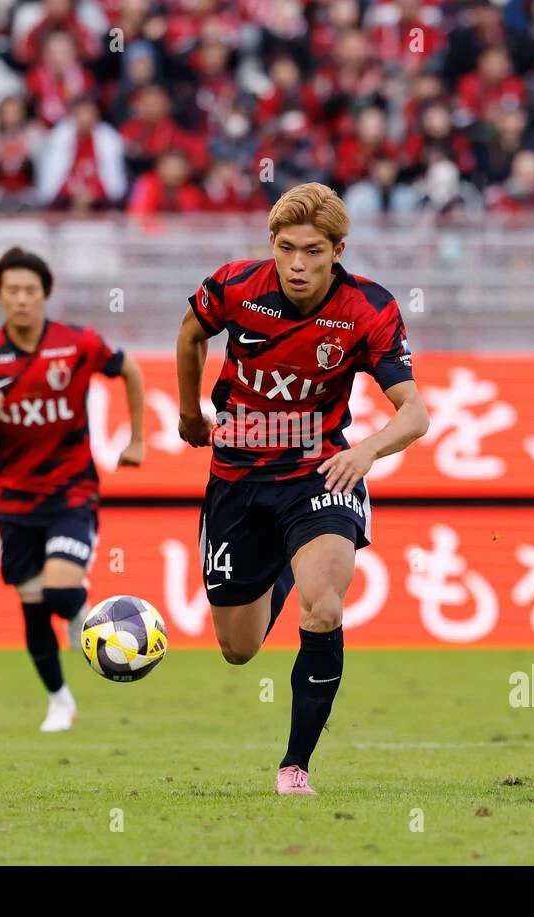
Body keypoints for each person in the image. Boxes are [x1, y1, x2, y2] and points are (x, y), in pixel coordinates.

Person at [175, 182, 430, 795]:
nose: (297, 264)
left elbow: (414, 413)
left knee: (325, 606)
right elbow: (189, 335)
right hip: (235, 475)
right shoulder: (235, 287)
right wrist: (188, 416)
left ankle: (295, 767)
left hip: (320, 470)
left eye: (313, 251)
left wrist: (366, 450)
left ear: (337, 249)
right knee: (238, 650)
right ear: (271, 243)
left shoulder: (368, 307)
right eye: (286, 248)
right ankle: (281, 570)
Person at [0, 247, 146, 732]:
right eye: (12, 290)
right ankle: (60, 699)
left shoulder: (76, 343)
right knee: (33, 609)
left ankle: (83, 613)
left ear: (45, 294)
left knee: (61, 594)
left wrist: (137, 437)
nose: (21, 299)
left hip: (72, 491)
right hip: (15, 501)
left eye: (30, 291)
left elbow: (129, 369)